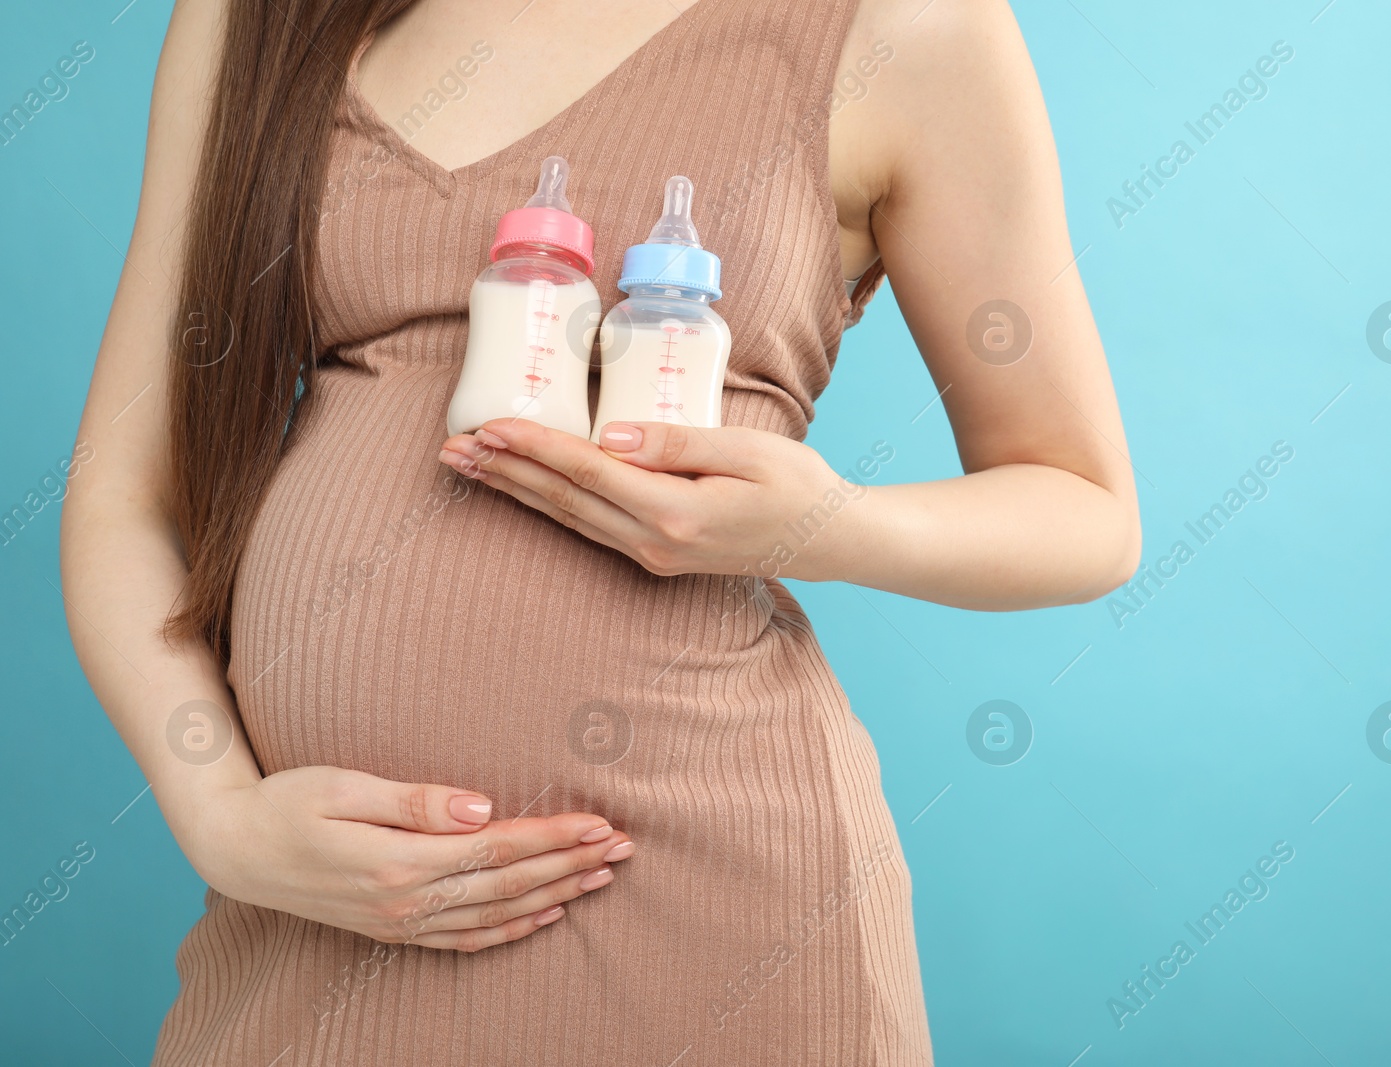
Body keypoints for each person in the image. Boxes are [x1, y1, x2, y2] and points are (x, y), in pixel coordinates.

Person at [60, 0, 1140, 1062]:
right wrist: (219, 816)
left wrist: (814, 523)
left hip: (711, 910)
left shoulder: (906, 27)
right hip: (321, 911)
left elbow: (1082, 507)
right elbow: (126, 494)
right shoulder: (259, 18)